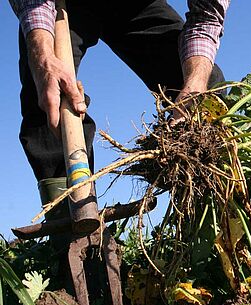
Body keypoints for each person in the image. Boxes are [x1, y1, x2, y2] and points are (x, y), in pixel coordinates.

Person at [8, 0, 229, 219]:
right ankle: (70, 229)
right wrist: (43, 59)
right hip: (60, 6)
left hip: (135, 5)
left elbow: (206, 16)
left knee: (208, 93)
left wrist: (194, 84)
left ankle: (212, 216)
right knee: (48, 99)